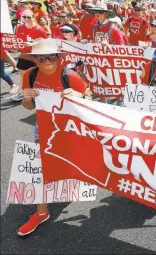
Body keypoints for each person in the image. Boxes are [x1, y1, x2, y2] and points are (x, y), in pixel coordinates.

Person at [18, 38, 89, 236]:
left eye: (51, 57)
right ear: (35, 60)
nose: (47, 61)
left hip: (71, 129)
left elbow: (90, 100)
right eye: (42, 58)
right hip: (44, 129)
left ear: (58, 58)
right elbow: (29, 107)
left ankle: (68, 184)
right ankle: (41, 212)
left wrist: (80, 97)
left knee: (68, 163)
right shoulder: (29, 76)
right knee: (40, 167)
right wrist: (26, 99)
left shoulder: (70, 75)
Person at [14, 9, 48, 101]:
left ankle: (40, 94)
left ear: (33, 17)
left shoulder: (39, 29)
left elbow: (45, 43)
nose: (26, 19)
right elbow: (17, 40)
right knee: (23, 76)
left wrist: (33, 44)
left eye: (28, 17)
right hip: (24, 55)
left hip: (35, 56)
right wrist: (15, 46)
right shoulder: (20, 28)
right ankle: (24, 93)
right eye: (24, 17)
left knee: (37, 76)